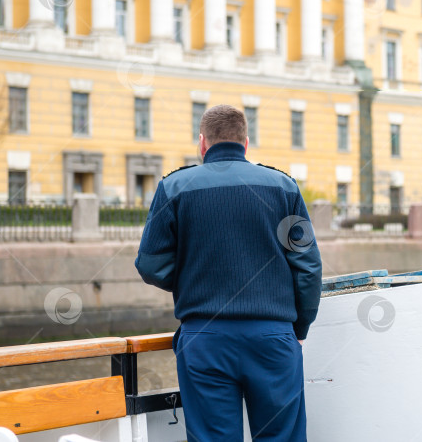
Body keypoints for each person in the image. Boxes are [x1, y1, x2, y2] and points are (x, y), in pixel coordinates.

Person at [135, 104, 322, 442]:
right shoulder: (284, 187)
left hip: (204, 338)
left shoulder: (174, 188)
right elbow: (307, 267)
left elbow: (150, 265)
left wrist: (193, 275)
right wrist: (299, 328)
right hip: (273, 337)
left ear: (202, 143)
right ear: (246, 143)